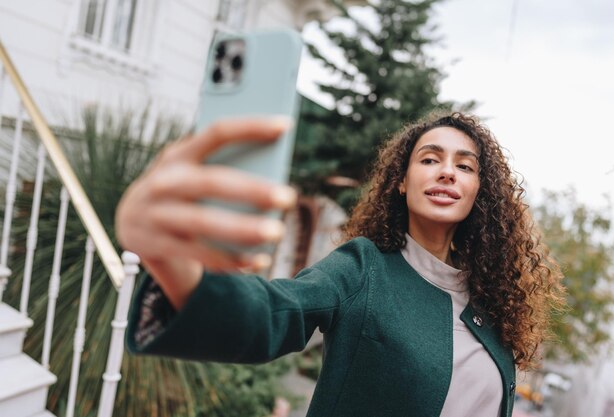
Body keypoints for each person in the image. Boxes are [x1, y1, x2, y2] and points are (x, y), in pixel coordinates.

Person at [116, 111, 565, 417]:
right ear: (401, 183)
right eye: (430, 159)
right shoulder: (364, 268)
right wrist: (169, 258)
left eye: (465, 166)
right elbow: (274, 313)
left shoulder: (489, 297)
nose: (447, 172)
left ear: (478, 193)